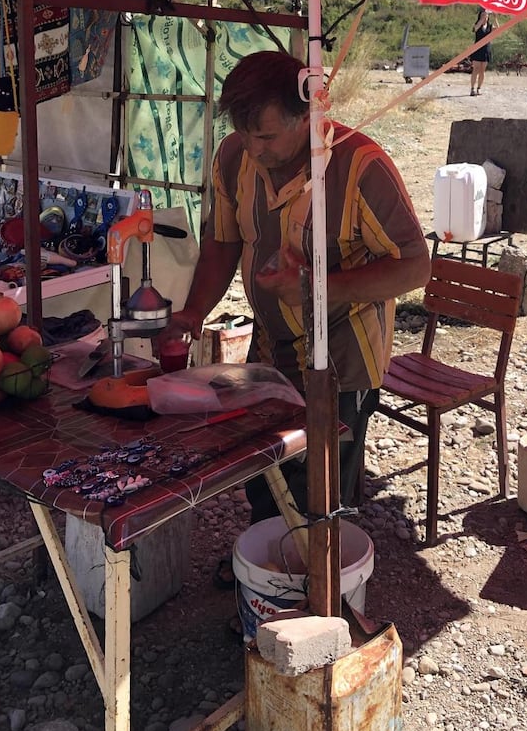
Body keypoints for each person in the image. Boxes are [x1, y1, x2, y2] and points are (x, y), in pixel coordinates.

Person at [167, 50, 431, 532]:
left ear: (308, 114)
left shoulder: (360, 167)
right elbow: (223, 242)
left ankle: (319, 580)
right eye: (244, 132)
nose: (252, 148)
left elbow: (415, 268)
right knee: (262, 465)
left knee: (323, 481)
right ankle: (270, 560)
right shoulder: (232, 157)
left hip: (344, 357)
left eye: (265, 135)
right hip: (271, 346)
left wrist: (316, 288)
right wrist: (194, 311)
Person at [470, 6, 493, 96]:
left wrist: (494, 17)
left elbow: (498, 29)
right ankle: (472, 89)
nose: (485, 17)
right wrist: (481, 20)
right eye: (483, 15)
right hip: (477, 49)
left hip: (486, 49)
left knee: (482, 71)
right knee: (475, 69)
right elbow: (474, 29)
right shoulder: (478, 25)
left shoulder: (490, 26)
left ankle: (479, 88)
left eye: (486, 16)